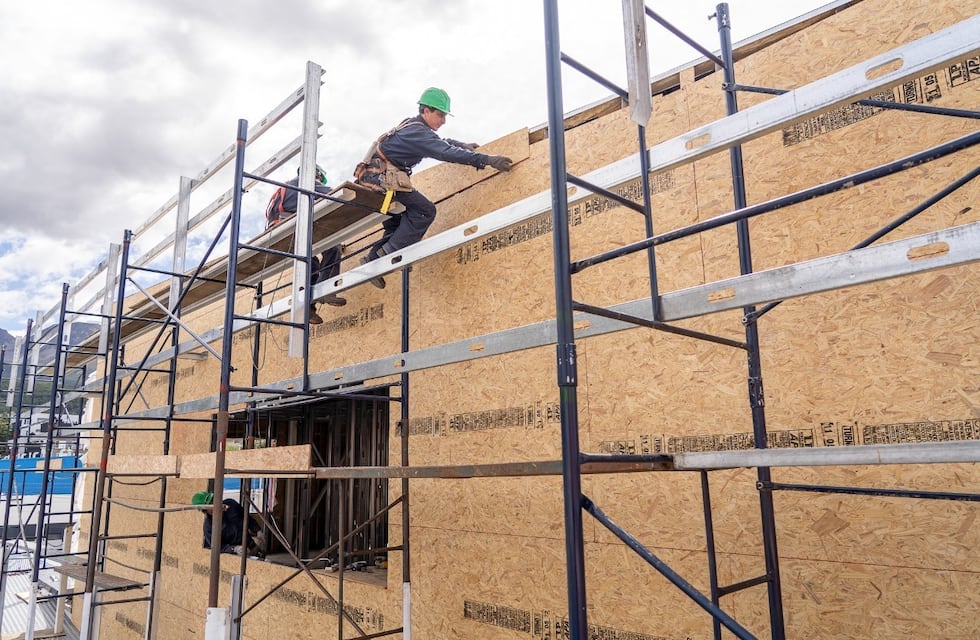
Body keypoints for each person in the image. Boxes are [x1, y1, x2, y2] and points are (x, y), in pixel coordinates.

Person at [354, 87, 513, 288]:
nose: (443, 120)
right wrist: (487, 159)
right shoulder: (417, 132)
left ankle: (375, 260)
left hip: (378, 177)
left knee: (399, 220)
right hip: (380, 180)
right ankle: (386, 256)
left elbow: (440, 143)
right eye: (440, 114)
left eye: (445, 115)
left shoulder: (414, 128)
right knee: (425, 210)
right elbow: (444, 151)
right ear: (425, 111)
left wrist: (460, 144)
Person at [266, 164, 347, 324]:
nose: (318, 181)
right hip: (291, 228)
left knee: (311, 263)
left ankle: (308, 308)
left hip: (281, 231)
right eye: (318, 179)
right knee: (333, 246)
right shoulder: (304, 181)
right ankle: (327, 288)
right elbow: (330, 193)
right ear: (315, 174)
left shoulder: (288, 187)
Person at [191, 490, 263, 557]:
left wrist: (258, 530)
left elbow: (247, 517)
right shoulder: (209, 527)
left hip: (252, 545)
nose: (215, 504)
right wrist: (234, 549)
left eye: (213, 500)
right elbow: (216, 547)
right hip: (237, 555)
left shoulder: (231, 504)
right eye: (211, 504)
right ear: (205, 510)